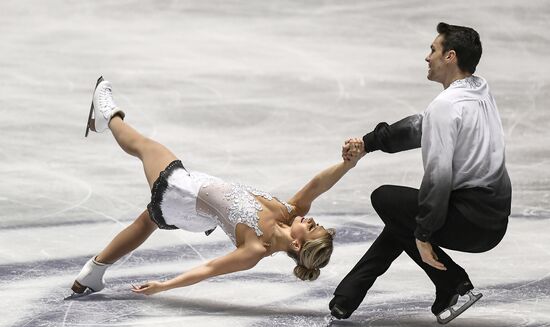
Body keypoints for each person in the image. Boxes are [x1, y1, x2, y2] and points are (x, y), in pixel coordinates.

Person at [71, 77, 361, 297]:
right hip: (196, 208)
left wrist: (164, 286)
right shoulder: (291, 211)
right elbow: (316, 185)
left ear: (296, 244)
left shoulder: (256, 248)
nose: (310, 219)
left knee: (144, 147)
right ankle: (93, 272)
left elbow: (210, 268)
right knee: (148, 221)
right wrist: (347, 166)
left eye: (311, 227)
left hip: (182, 191)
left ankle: (107, 114)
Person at [329, 22, 512, 324]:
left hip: (471, 223)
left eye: (433, 50)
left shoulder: (447, 105)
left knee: (386, 199)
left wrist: (425, 236)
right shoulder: (478, 89)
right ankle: (348, 296)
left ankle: (452, 280)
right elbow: (419, 127)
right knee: (401, 221)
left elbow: (438, 178)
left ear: (450, 56)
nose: (427, 57)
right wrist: (369, 143)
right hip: (493, 220)